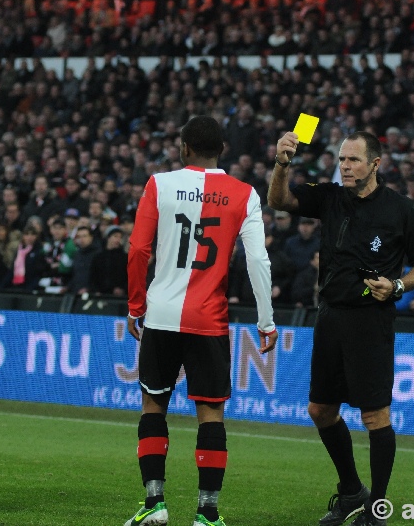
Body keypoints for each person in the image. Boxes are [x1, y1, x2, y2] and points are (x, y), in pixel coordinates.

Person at [268, 130, 414, 526]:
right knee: (320, 410)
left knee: (375, 417)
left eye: (353, 160)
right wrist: (282, 163)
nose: (345, 166)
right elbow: (278, 200)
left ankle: (376, 510)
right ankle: (350, 493)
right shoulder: (330, 196)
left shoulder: (400, 210)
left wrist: (397, 285)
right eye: (342, 159)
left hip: (370, 320)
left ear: (375, 164)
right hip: (329, 316)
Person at [125, 115, 278, 526]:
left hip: (160, 315)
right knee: (211, 414)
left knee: (153, 405)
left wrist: (135, 306)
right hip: (209, 321)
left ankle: (154, 503)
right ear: (222, 150)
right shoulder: (244, 194)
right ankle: (207, 513)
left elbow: (139, 250)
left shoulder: (159, 184)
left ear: (184, 147)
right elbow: (258, 261)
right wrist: (266, 321)